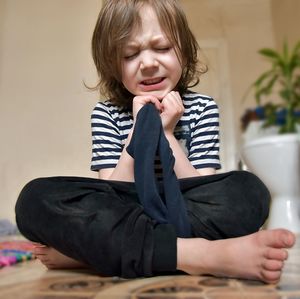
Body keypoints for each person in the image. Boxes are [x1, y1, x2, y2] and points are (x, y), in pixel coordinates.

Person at [15, 0, 295, 284]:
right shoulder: (107, 113)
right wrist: (140, 131)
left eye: (162, 48)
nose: (148, 63)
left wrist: (168, 134)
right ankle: (198, 254)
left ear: (183, 51)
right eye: (130, 54)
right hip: (126, 208)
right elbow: (116, 191)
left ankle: (95, 252)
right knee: (34, 199)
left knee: (250, 190)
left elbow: (201, 186)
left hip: (184, 206)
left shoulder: (202, 107)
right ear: (113, 64)